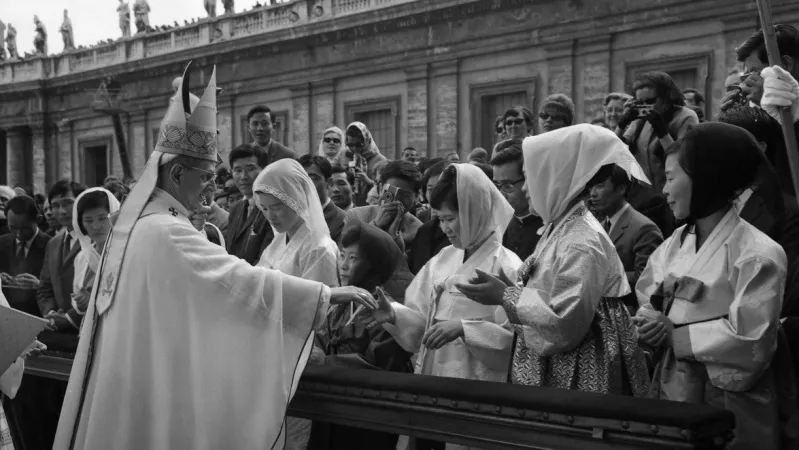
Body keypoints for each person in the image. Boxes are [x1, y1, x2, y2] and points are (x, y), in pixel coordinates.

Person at [54, 63, 376, 450]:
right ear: (176, 176)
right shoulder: (165, 230)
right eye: (205, 176)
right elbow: (235, 280)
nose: (210, 189)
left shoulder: (143, 224)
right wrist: (326, 295)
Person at [456, 124, 650, 396]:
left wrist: (507, 296)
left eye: (529, 177)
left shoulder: (583, 240)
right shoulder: (561, 226)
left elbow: (565, 321)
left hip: (580, 368)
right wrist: (510, 286)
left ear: (555, 178)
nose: (525, 190)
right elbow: (549, 289)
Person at [634, 123, 793, 450]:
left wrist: (675, 336)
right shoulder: (675, 243)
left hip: (727, 405)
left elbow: (752, 341)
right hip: (672, 387)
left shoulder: (758, 253)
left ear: (708, 177)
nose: (663, 189)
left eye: (671, 177)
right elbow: (652, 295)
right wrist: (648, 323)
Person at [364, 163, 522, 394]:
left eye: (450, 219)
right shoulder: (443, 259)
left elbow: (515, 341)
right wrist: (395, 315)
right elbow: (424, 325)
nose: (444, 228)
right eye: (439, 219)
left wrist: (466, 329)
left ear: (473, 213)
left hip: (478, 387)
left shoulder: (506, 266)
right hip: (434, 378)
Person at [252, 158, 340, 450]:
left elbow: (318, 309)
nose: (271, 216)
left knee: (292, 434)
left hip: (298, 352)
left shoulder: (318, 247)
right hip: (269, 348)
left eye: (276, 206)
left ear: (295, 198)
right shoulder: (277, 243)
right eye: (264, 209)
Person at [314, 221, 412, 450]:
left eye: (354, 258)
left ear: (372, 264)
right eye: (342, 256)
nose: (344, 266)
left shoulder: (387, 310)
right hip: (329, 404)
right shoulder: (341, 302)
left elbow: (382, 363)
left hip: (368, 414)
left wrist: (326, 361)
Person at [587, 164, 663, 313]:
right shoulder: (600, 225)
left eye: (600, 186)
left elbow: (645, 280)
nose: (593, 194)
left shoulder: (644, 228)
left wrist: (600, 276)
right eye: (591, 188)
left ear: (621, 189)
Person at [69, 188, 121, 318]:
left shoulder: (127, 253)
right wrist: (80, 302)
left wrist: (93, 300)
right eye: (88, 220)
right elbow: (77, 294)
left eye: (102, 218)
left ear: (114, 215)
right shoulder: (82, 257)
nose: (96, 226)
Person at [298, 154, 347, 243]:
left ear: (329, 183)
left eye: (313, 179)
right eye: (300, 179)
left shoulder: (343, 220)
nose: (305, 184)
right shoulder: (292, 216)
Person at [339, 122, 388, 206]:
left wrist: (368, 181)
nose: (354, 148)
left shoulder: (380, 160)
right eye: (350, 145)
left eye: (358, 145)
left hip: (369, 205)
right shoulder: (343, 154)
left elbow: (385, 188)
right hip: (347, 204)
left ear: (366, 140)